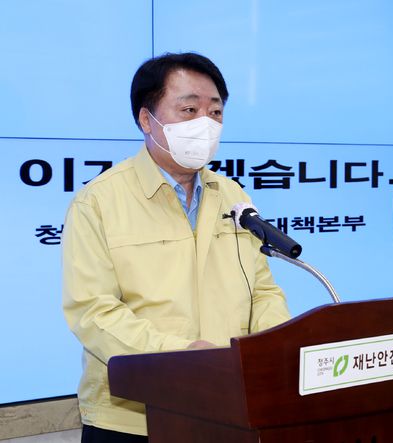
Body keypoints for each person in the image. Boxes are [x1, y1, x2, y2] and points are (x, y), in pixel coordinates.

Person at [62, 52, 291, 442]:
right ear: (146, 119)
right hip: (134, 418)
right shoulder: (98, 202)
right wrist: (183, 357)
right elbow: (93, 312)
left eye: (215, 113)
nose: (205, 124)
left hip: (229, 405)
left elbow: (262, 291)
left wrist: (272, 351)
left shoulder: (232, 195)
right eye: (189, 110)